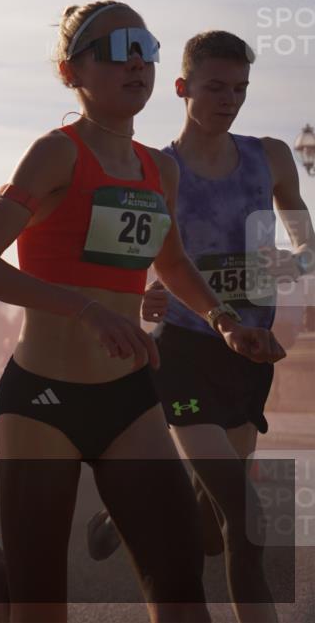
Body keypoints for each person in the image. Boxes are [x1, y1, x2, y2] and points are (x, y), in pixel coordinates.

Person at [0, 1, 285, 623]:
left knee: (180, 591)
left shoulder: (158, 168)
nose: (137, 63)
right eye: (116, 51)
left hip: (128, 400)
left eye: (144, 46)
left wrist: (225, 321)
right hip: (43, 399)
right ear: (72, 73)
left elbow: (172, 266)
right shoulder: (55, 154)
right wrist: (88, 309)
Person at [85, 30, 313, 623]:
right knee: (248, 517)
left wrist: (296, 261)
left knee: (214, 526)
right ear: (182, 88)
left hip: (250, 356)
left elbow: (306, 243)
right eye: (215, 87)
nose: (230, 99)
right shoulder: (157, 167)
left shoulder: (271, 157)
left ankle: (124, 514)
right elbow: (113, 262)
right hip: (184, 352)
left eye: (240, 88)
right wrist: (142, 297)